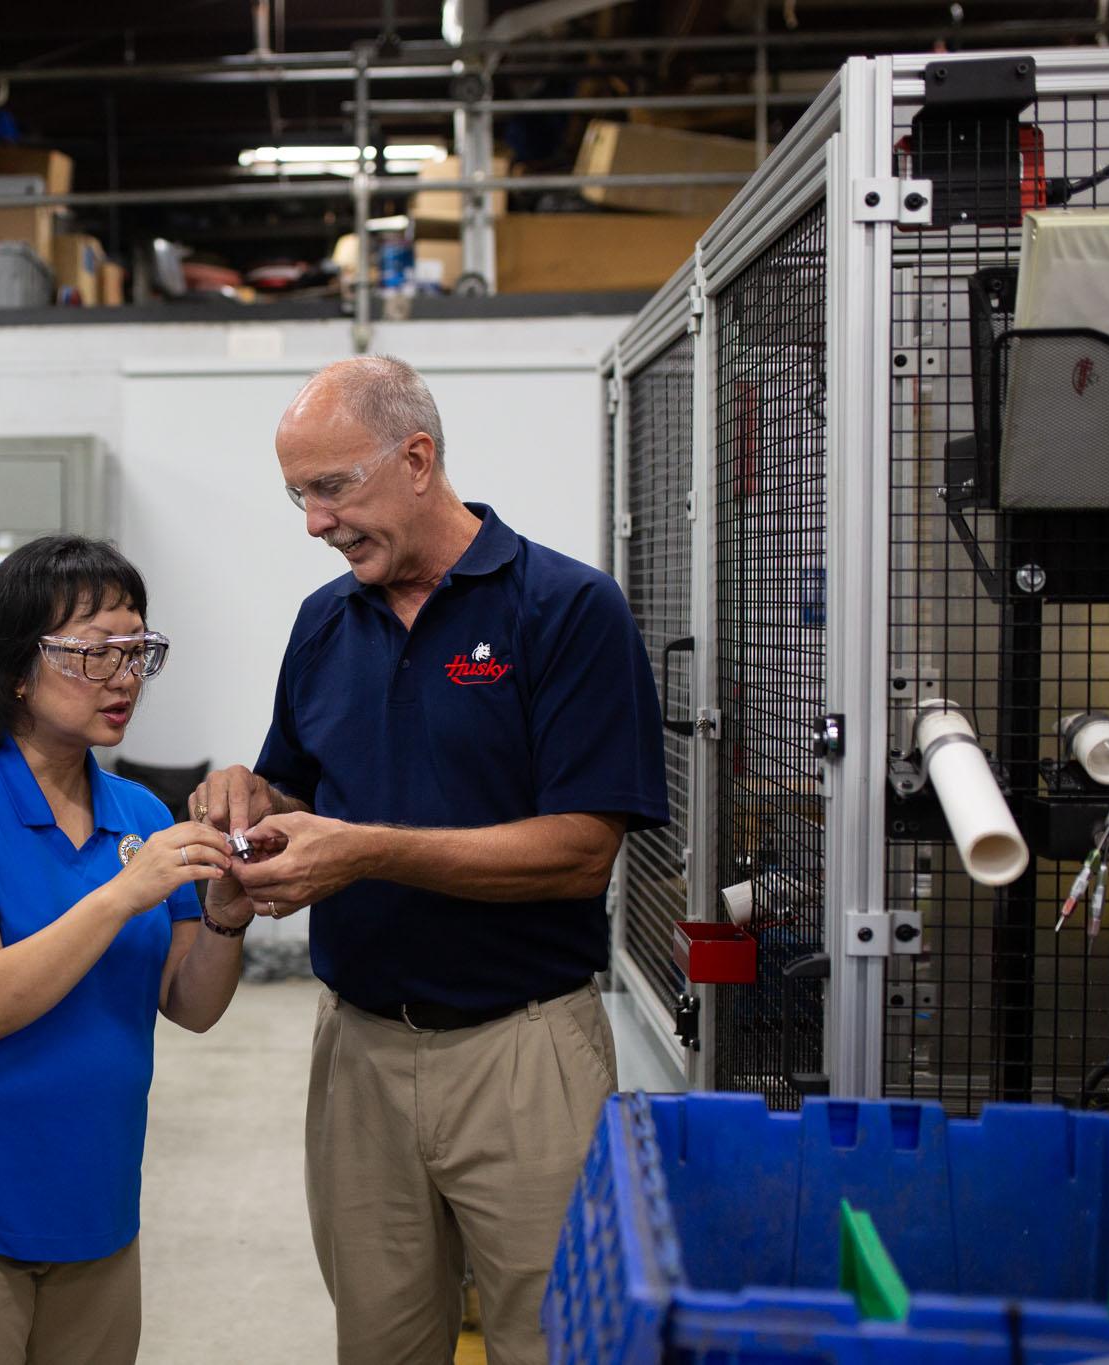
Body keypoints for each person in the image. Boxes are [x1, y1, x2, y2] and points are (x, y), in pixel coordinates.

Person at [193, 356, 670, 1365]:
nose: (312, 523)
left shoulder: (566, 611)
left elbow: (580, 854)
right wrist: (247, 797)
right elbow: (302, 794)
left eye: (330, 488)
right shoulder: (324, 624)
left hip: (523, 1052)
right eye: (296, 495)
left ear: (416, 460)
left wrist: (364, 853)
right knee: (379, 1341)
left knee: (552, 1340)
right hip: (358, 1052)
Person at [0, 534, 248, 1365]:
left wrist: (226, 913)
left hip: (95, 1205)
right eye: (93, 652)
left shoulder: (138, 810)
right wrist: (120, 895)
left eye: (138, 651)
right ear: (15, 669)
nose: (123, 675)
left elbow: (194, 1004)